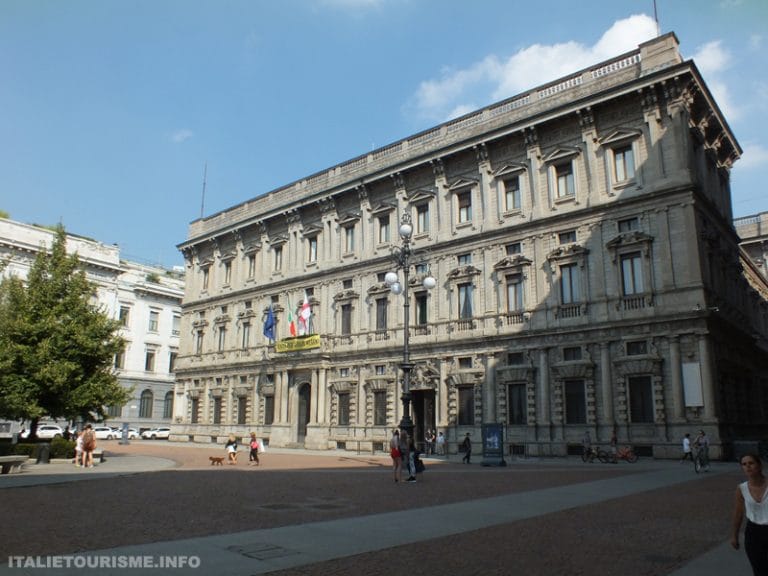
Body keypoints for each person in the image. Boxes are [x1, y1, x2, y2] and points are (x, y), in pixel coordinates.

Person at [731, 453, 768, 575]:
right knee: (759, 569)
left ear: (759, 465)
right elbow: (738, 513)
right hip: (754, 532)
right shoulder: (741, 488)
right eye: (744, 464)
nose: (748, 467)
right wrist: (734, 535)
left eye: (751, 463)